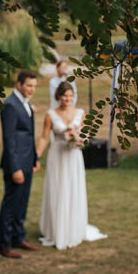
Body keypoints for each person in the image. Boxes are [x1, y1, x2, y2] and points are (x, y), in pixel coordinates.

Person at [37, 81, 107, 250]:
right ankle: (56, 230)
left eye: (70, 96)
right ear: (58, 96)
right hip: (57, 156)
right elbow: (44, 137)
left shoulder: (80, 113)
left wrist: (81, 139)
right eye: (64, 96)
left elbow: (85, 132)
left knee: (73, 189)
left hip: (74, 156)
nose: (67, 99)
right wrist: (36, 156)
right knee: (58, 189)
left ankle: (73, 228)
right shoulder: (50, 114)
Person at [0, 70, 41, 258]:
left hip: (27, 161)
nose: (32, 89)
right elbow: (9, 140)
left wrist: (35, 158)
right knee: (11, 204)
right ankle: (4, 245)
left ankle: (18, 237)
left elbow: (28, 134)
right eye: (29, 85)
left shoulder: (25, 104)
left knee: (22, 203)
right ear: (19, 84)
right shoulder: (10, 105)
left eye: (34, 86)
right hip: (15, 164)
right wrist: (15, 168)